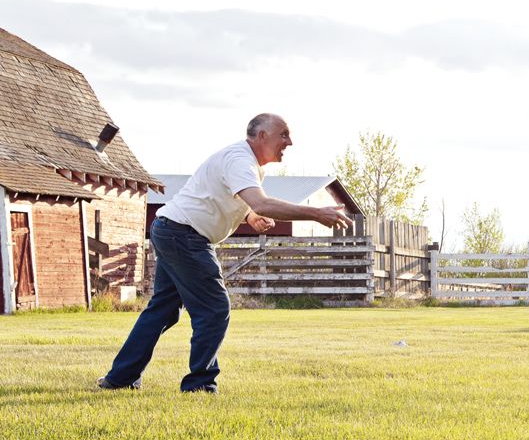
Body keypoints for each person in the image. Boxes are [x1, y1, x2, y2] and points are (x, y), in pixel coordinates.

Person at [98, 114, 352, 393]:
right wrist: (315, 213)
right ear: (261, 136)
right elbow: (261, 201)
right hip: (184, 235)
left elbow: (234, 199)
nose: (289, 142)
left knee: (164, 310)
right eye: (284, 134)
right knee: (214, 309)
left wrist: (250, 216)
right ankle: (200, 385)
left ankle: (120, 378)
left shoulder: (247, 163)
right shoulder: (240, 160)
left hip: (172, 230)